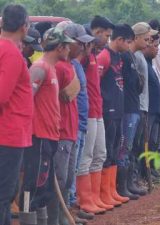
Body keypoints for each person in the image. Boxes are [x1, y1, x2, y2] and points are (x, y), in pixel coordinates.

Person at [20, 27, 75, 224]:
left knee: (44, 188)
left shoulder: (51, 68)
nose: (69, 50)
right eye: (67, 46)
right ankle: (28, 218)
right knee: (33, 185)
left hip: (50, 136)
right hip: (39, 136)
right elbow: (25, 100)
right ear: (59, 47)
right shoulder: (40, 67)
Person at [47, 22, 95, 225]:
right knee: (60, 177)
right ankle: (56, 218)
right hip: (62, 130)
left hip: (73, 128)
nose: (82, 48)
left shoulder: (70, 65)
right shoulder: (57, 67)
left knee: (67, 178)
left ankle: (64, 215)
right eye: (77, 44)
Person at [76, 15, 115, 215]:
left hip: (97, 111)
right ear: (97, 31)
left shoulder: (92, 54)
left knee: (100, 154)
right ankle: (85, 200)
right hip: (88, 112)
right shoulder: (84, 55)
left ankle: (96, 197)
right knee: (87, 156)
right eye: (106, 36)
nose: (107, 41)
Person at [0, 4, 32, 225]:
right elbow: (2, 94)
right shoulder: (11, 52)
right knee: (4, 194)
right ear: (25, 27)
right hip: (9, 133)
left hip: (8, 131)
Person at [97, 24, 135, 205]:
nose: (129, 46)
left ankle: (111, 191)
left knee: (114, 150)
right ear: (119, 40)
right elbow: (95, 83)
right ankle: (102, 194)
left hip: (119, 109)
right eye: (128, 42)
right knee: (106, 150)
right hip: (108, 110)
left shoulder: (118, 56)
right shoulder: (104, 56)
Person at [121, 22, 157, 196]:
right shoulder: (129, 57)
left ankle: (131, 181)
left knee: (134, 147)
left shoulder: (136, 57)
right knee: (129, 147)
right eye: (146, 38)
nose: (149, 42)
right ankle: (126, 183)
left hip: (139, 106)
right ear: (136, 37)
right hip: (132, 107)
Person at [142, 33, 160, 180]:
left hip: (155, 109)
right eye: (154, 46)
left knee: (154, 142)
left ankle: (151, 170)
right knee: (145, 143)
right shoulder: (143, 62)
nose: (157, 49)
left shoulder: (151, 63)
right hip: (147, 109)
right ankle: (144, 173)